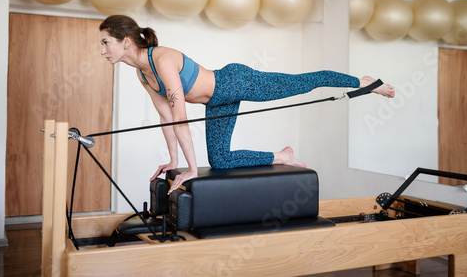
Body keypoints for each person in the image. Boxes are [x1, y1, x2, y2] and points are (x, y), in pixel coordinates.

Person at [99, 15, 395, 193]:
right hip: (217, 102)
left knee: (300, 83)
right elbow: (166, 118)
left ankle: (362, 81)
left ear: (125, 41)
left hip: (235, 81)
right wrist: (175, 163)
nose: (102, 50)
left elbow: (180, 117)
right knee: (221, 160)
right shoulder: (141, 73)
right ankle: (282, 155)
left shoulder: (161, 59)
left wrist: (191, 168)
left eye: (105, 43)